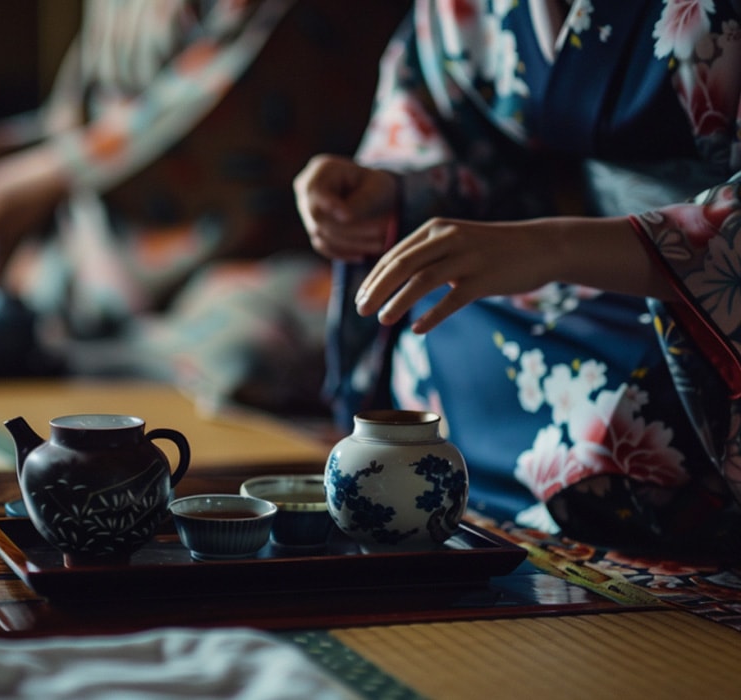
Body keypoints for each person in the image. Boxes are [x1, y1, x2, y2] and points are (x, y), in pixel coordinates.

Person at [294, 0, 741, 554]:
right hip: (568, 285)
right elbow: (452, 126)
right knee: (431, 314)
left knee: (629, 418)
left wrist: (557, 246)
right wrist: (390, 192)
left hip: (698, 311)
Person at [0, 0, 406, 415]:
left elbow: (216, 103)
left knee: (250, 348)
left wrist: (57, 169)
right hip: (101, 242)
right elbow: (101, 113)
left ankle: (89, 352)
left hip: (251, 243)